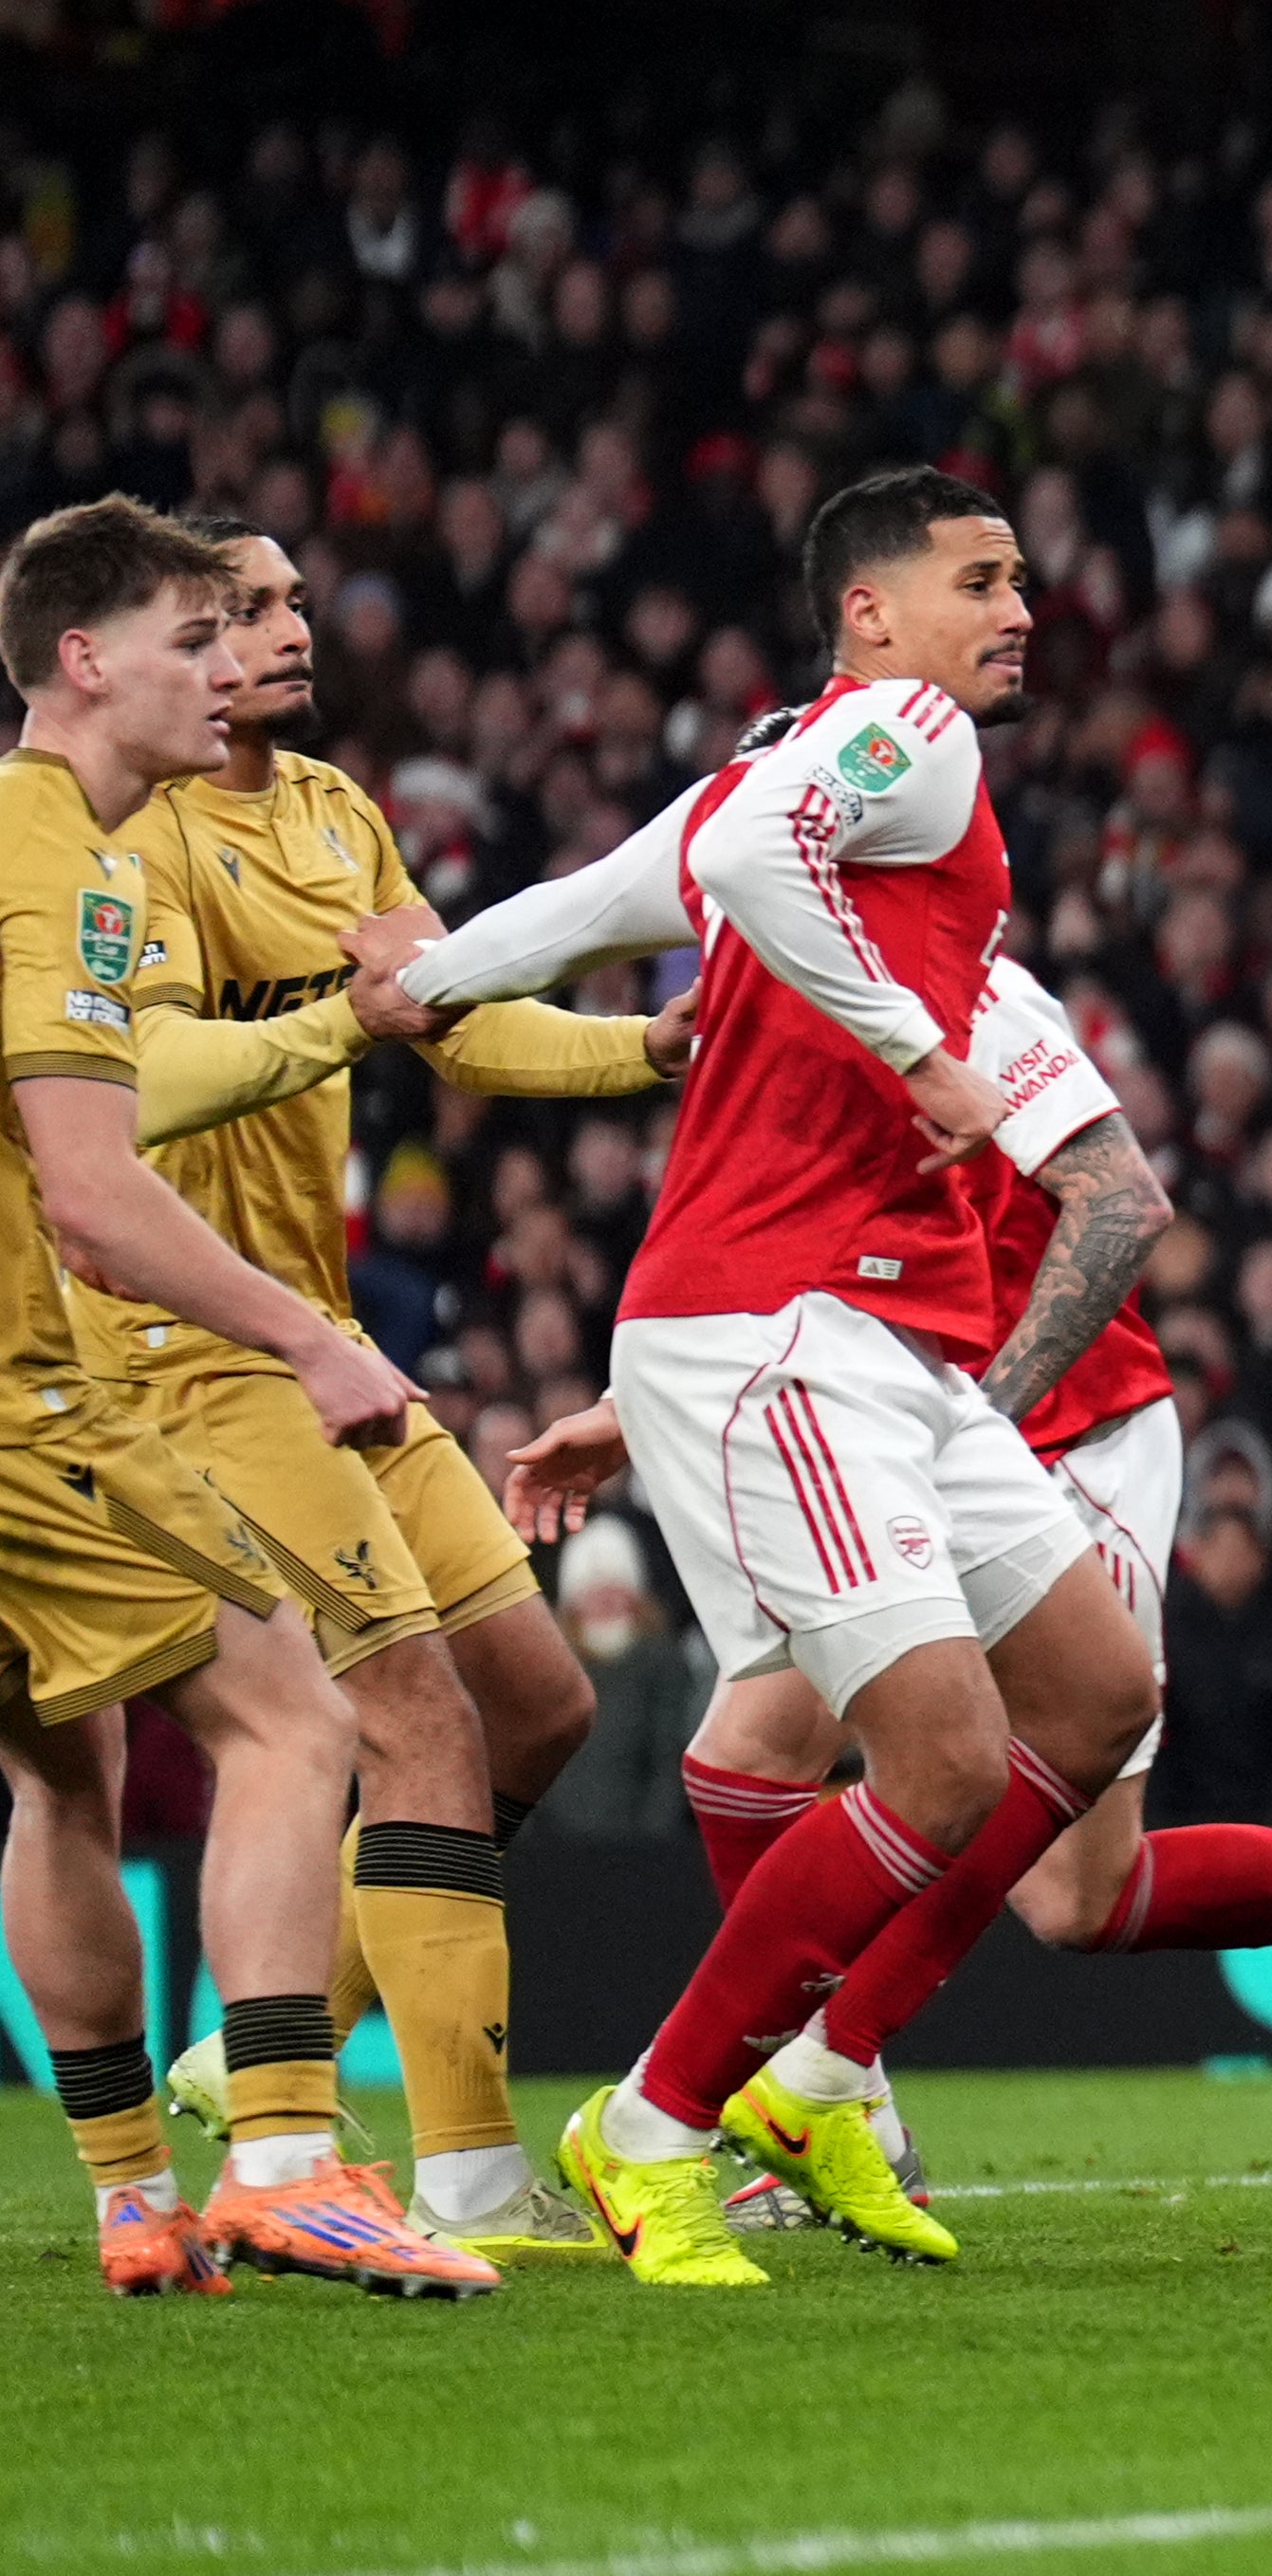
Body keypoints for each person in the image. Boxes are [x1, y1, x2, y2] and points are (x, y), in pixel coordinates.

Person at [519, 957, 1272, 2228]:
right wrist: (637, 1405)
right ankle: (838, 2102)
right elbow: (795, 1258)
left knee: (1078, 1896)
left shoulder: (973, 991)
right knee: (748, 1749)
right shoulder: (799, 986)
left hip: (1068, 1436)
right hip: (892, 1429)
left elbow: (1122, 1209)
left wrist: (969, 1427)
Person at [462, 470, 1170, 2290]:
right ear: (870, 609)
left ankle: (825, 2075)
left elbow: (587, 902)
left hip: (874, 1333)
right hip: (778, 1321)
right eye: (980, 579)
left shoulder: (774, 769)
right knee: (936, 1754)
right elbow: (747, 865)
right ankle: (655, 2124)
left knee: (1096, 1692)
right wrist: (927, 1055)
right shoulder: (906, 735)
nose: (1020, 610)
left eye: (1022, 578)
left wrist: (422, 985)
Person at [104, 514, 663, 2264]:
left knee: (539, 1706)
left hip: (324, 1332)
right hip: (194, 1348)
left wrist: (651, 1048)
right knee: (414, 1716)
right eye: (242, 609)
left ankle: (251, 2044)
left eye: (290, 602)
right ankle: (466, 2175)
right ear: (168, 645)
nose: (288, 628)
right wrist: (349, 1018)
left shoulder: (336, 809)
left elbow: (456, 1017)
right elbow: (147, 1078)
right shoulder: (133, 838)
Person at [0, 497, 490, 2296]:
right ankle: (283, 2157)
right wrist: (309, 1334)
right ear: (84, 659)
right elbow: (93, 1189)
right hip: (30, 1403)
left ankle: (134, 2195)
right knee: (292, 1715)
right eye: (191, 638)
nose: (228, 667)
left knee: (61, 1775)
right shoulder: (59, 862)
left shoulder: (64, 844)